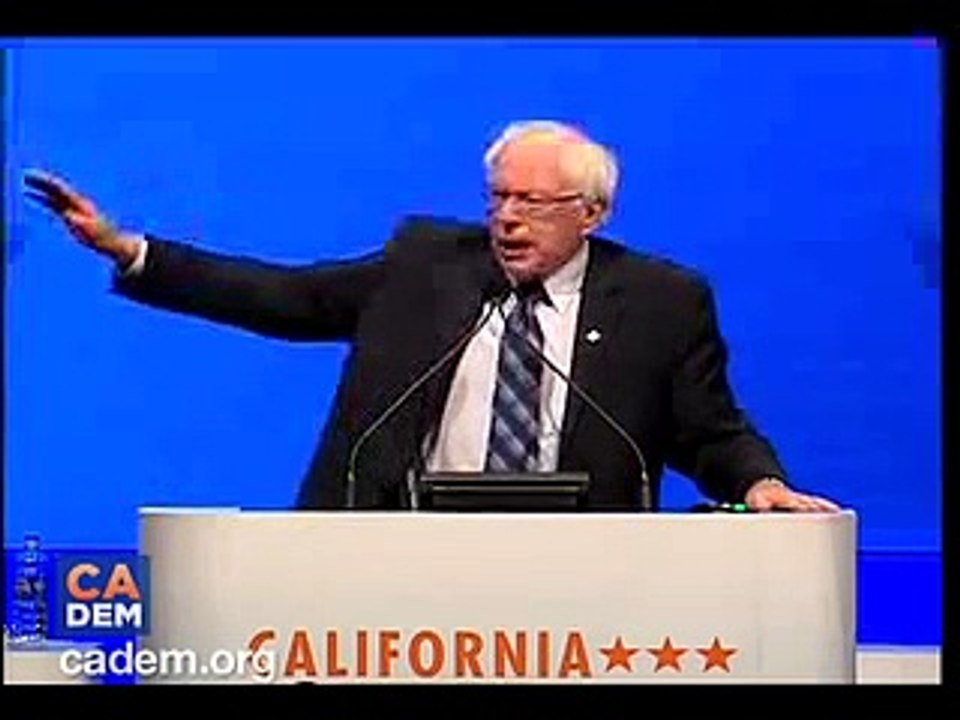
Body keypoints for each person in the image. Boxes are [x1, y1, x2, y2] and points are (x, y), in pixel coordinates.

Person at [24, 119, 839, 513]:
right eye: (499, 199)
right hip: (391, 555)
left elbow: (708, 429)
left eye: (534, 203)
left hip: (587, 574)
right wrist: (130, 248)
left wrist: (760, 482)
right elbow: (289, 298)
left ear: (591, 213)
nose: (509, 220)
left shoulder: (663, 302)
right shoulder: (425, 265)